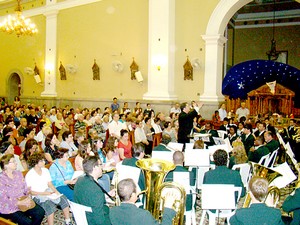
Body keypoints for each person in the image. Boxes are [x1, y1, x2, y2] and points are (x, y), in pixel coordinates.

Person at [25, 153, 72, 225]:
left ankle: (68, 220)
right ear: (36, 163)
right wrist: (44, 193)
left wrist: (56, 192)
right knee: (49, 206)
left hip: (48, 192)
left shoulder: (45, 171)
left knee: (63, 199)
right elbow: (30, 192)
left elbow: (50, 184)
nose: (44, 162)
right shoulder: (30, 175)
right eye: (41, 161)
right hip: (37, 195)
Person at [0, 154, 45, 225]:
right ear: (6, 165)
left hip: (23, 200)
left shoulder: (18, 173)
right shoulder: (1, 179)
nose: (16, 163)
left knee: (40, 212)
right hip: (9, 206)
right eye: (13, 161)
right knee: (27, 222)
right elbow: (3, 199)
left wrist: (27, 197)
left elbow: (25, 188)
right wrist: (18, 203)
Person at [110, 178, 176, 225]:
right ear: (133, 195)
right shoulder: (143, 215)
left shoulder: (111, 211)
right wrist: (168, 208)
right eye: (136, 188)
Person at [74, 156, 114, 225]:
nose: (102, 167)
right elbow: (99, 220)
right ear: (95, 168)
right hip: (92, 219)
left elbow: (89, 198)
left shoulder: (80, 180)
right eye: (100, 165)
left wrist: (107, 195)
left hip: (83, 216)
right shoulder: (95, 189)